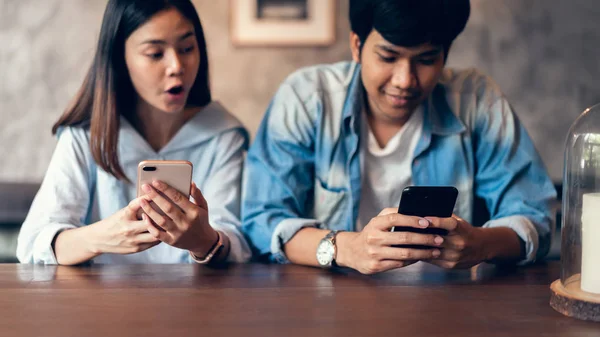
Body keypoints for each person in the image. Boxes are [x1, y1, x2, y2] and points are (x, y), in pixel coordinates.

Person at [241, 0, 556, 274]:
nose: (405, 81)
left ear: (445, 55)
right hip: (330, 302)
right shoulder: (307, 98)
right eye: (388, 57)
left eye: (426, 59)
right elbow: (261, 220)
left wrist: (480, 245)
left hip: (448, 305)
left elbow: (534, 217)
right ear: (356, 46)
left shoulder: (476, 101)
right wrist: (346, 248)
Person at [17, 0, 251, 265]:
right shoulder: (86, 135)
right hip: (101, 303)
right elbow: (33, 244)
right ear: (120, 59)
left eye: (187, 48)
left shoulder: (224, 135)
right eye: (155, 53)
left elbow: (237, 244)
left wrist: (205, 242)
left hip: (195, 301)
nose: (177, 65)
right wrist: (102, 236)